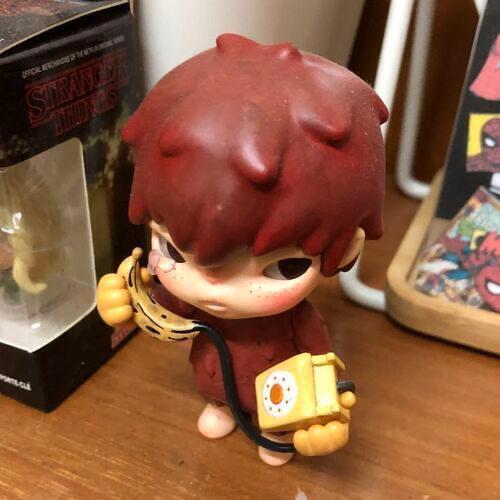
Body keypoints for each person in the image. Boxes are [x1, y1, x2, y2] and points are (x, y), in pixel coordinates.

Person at [96, 34, 387, 466]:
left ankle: (273, 432)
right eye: (174, 252)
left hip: (278, 401)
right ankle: (222, 406)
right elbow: (161, 310)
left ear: (346, 251)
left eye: (284, 267)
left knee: (278, 429)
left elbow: (319, 366)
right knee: (219, 398)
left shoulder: (297, 320)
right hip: (214, 379)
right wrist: (125, 301)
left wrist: (322, 419)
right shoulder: (192, 302)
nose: (215, 289)